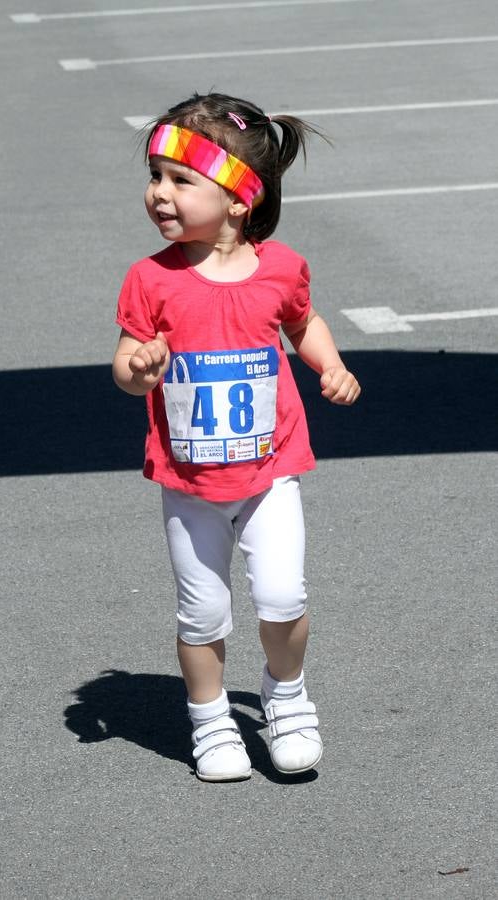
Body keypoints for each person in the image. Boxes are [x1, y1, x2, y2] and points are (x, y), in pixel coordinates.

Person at [112, 91, 360, 783]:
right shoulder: (150, 279)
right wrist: (140, 368)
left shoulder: (279, 268)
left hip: (271, 470)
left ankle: (285, 696)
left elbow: (302, 323)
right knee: (204, 610)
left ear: (237, 200)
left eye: (180, 180)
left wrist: (330, 365)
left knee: (282, 596)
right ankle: (211, 719)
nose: (158, 194)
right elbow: (126, 366)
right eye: (155, 176)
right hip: (189, 482)